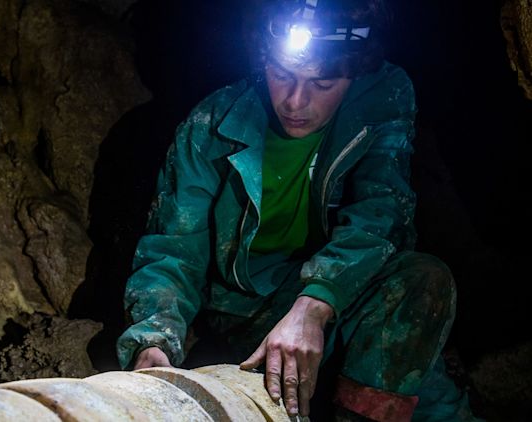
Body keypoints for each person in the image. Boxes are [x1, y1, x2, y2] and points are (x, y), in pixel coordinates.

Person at [117, 0, 478, 420]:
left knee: (423, 289)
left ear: (355, 74)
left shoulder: (383, 96)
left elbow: (381, 215)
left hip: (344, 301)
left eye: (322, 84)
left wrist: (313, 306)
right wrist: (153, 342)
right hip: (253, 317)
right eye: (281, 75)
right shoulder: (213, 123)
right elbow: (174, 249)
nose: (295, 101)